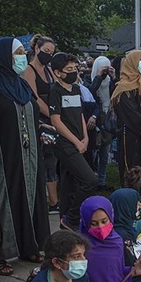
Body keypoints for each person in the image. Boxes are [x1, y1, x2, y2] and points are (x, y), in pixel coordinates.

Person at [0, 37, 50, 263]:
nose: (23, 57)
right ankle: (3, 253)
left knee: (30, 194)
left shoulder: (21, 84)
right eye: (18, 52)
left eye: (23, 52)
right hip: (5, 151)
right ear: (3, 56)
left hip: (30, 150)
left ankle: (29, 245)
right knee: (6, 196)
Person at [48, 52, 98, 230]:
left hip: (80, 140)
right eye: (68, 69)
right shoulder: (55, 91)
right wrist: (75, 142)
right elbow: (56, 120)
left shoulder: (76, 89)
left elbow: (80, 116)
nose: (73, 72)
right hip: (65, 143)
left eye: (75, 69)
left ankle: (66, 219)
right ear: (57, 72)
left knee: (70, 181)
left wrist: (84, 138)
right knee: (89, 180)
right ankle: (72, 217)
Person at [21, 35, 59, 212]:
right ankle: (51, 200)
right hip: (41, 121)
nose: (48, 55)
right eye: (46, 51)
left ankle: (53, 199)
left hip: (53, 118)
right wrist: (53, 115)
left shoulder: (49, 70)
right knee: (46, 159)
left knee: (53, 159)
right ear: (36, 49)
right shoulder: (29, 70)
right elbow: (34, 99)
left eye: (51, 53)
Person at [111, 50, 141, 180]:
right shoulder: (123, 90)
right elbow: (132, 116)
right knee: (133, 173)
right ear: (132, 63)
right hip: (132, 139)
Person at [88, 56, 117, 191]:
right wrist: (98, 77)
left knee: (105, 154)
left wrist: (114, 77)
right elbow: (90, 93)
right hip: (95, 118)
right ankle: (91, 179)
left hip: (108, 119)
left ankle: (102, 181)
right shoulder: (90, 79)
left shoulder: (110, 81)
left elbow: (117, 93)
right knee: (94, 152)